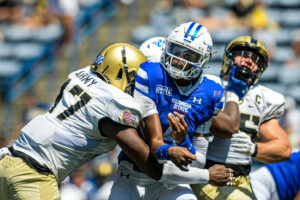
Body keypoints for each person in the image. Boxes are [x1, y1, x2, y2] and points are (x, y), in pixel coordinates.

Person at [0, 43, 215, 200]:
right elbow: (152, 168)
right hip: (33, 175)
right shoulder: (114, 103)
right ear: (124, 73)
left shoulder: (81, 76)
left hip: (7, 161)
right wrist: (204, 173)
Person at [109, 22, 248, 200]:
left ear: (202, 59)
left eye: (188, 55)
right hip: (132, 175)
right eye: (175, 50)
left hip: (173, 181)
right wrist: (206, 175)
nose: (178, 59)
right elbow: (155, 145)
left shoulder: (210, 92)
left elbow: (197, 163)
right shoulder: (151, 74)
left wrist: (183, 142)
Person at [190, 36, 292, 200]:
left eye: (256, 60)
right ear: (228, 58)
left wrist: (254, 149)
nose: (249, 61)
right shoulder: (207, 84)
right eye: (243, 55)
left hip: (240, 179)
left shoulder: (264, 98)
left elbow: (284, 149)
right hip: (206, 172)